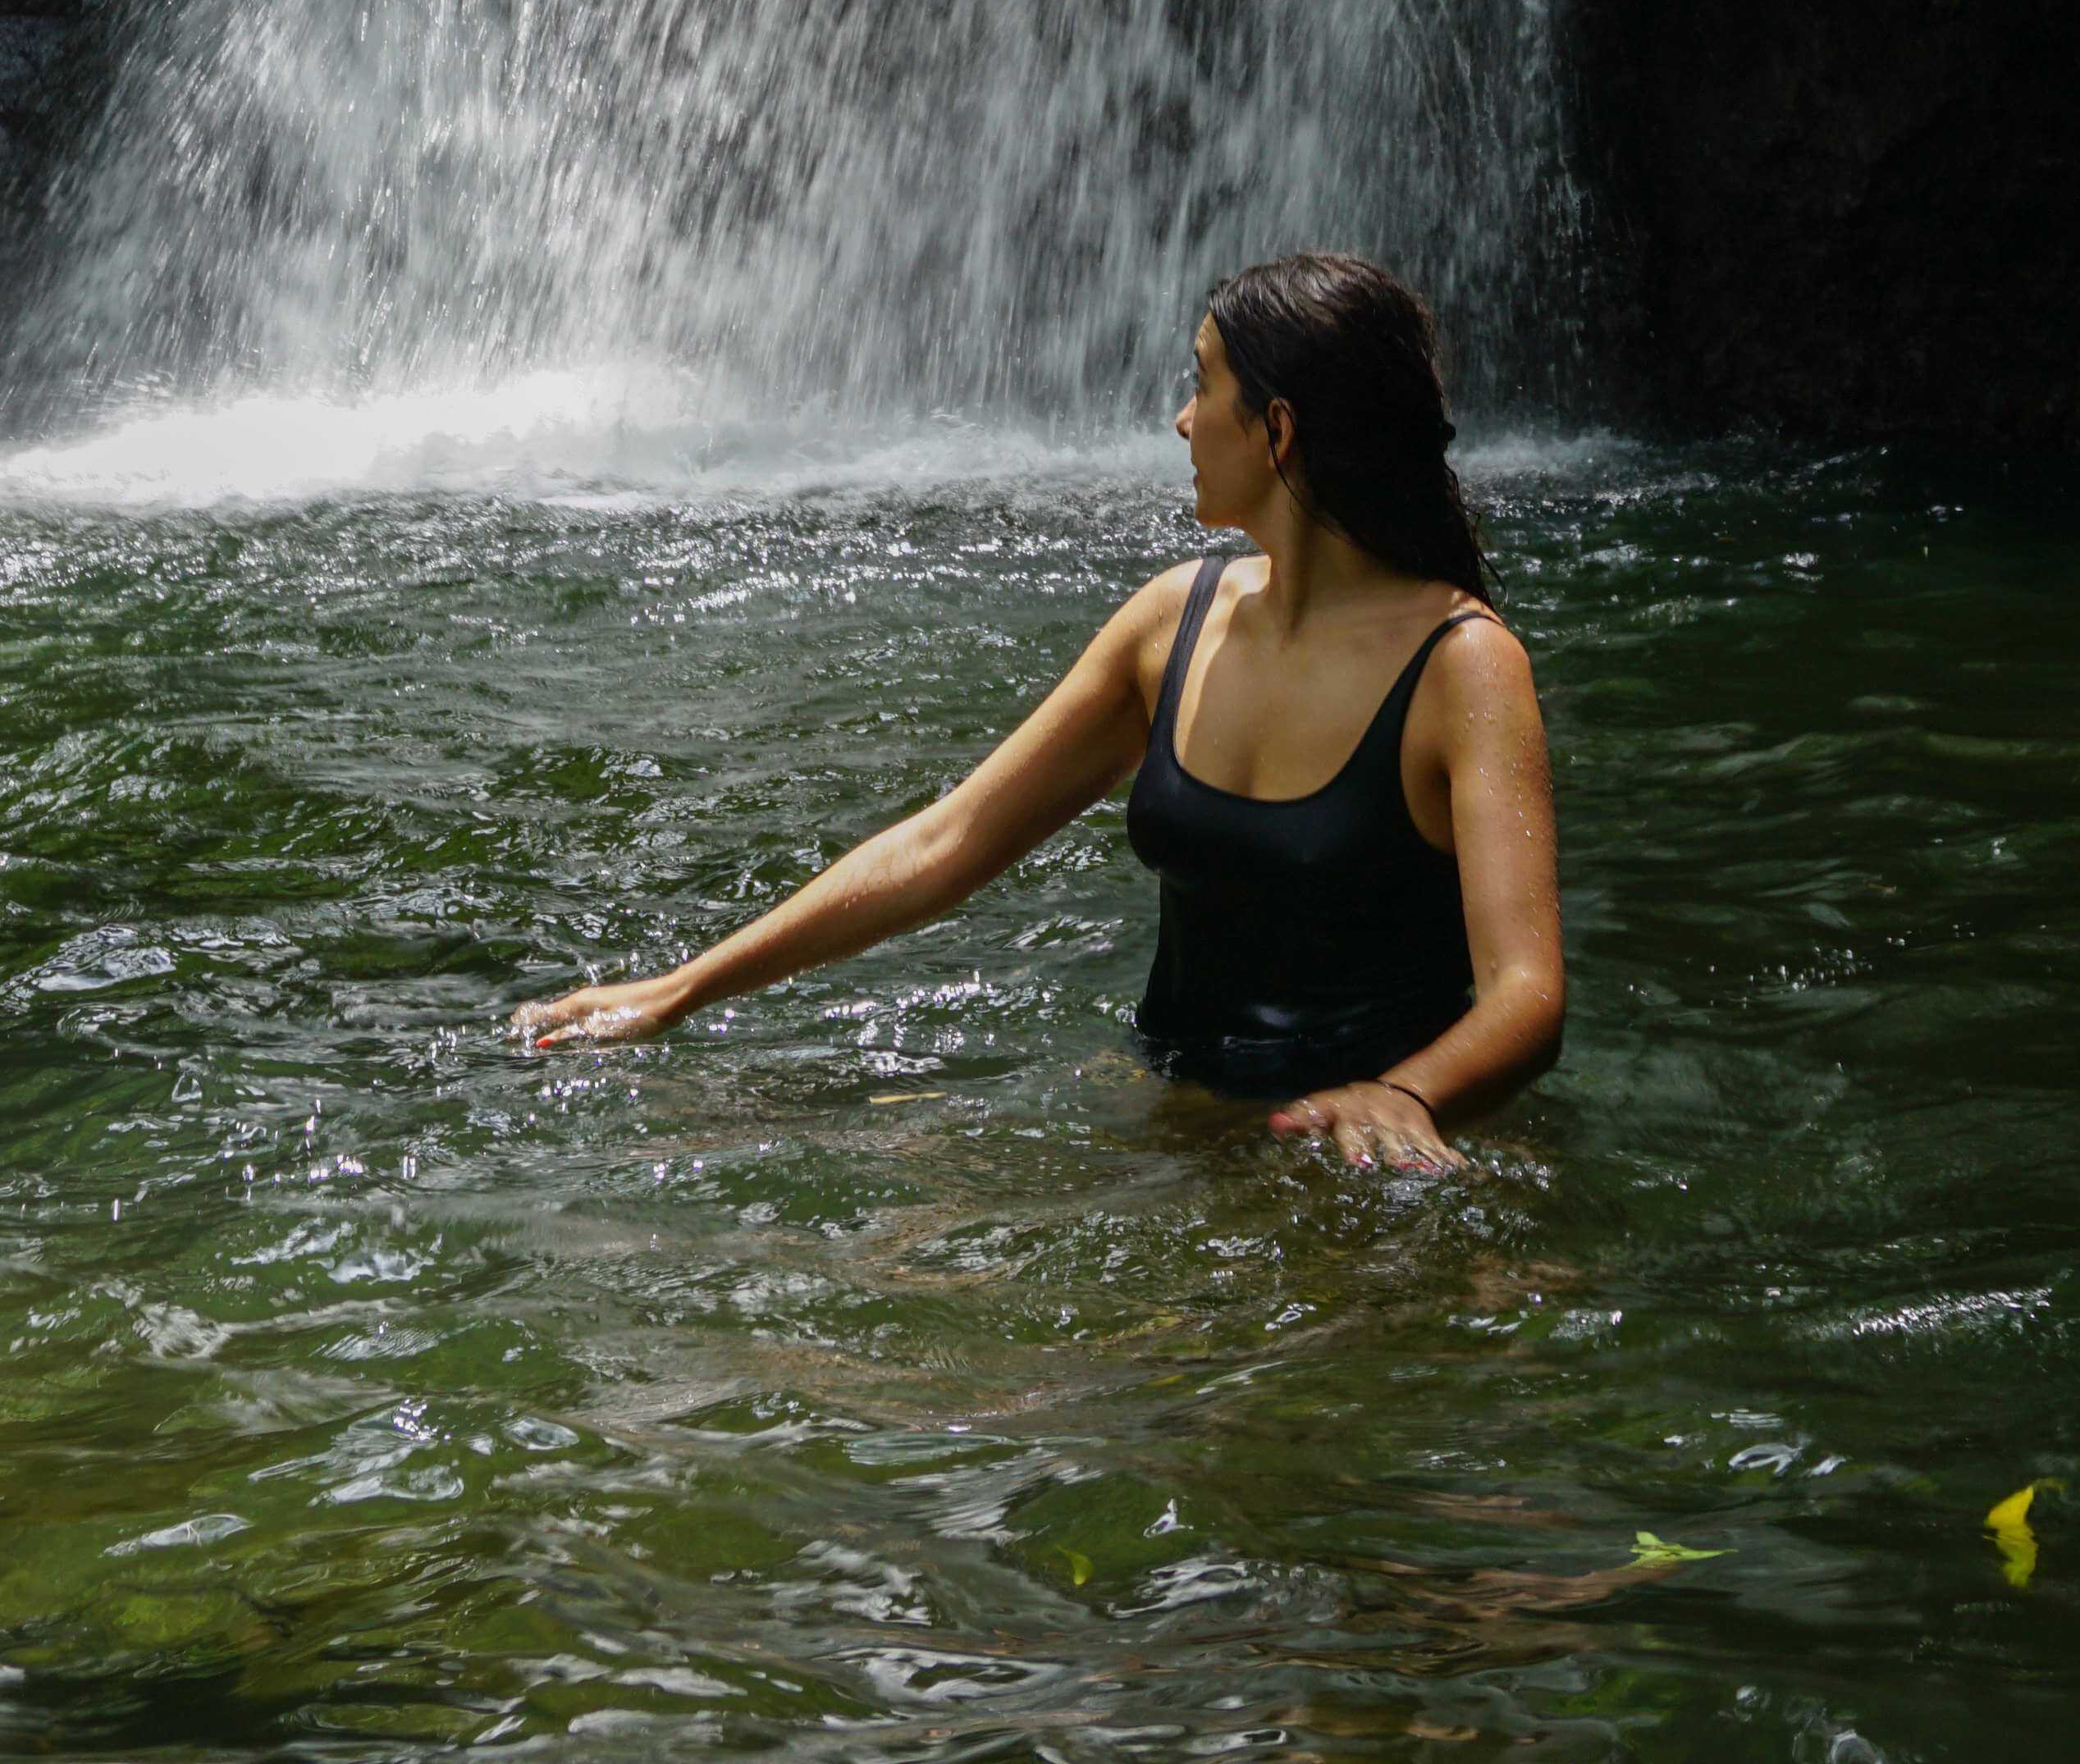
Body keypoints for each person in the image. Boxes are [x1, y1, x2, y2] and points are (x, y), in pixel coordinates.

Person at [514, 249, 1563, 1172]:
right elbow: (947, 839)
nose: (1179, 419)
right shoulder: (1172, 621)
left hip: (1359, 1156)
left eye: (1202, 386)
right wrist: (678, 993)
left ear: (1279, 429)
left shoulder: (1462, 667)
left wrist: (1407, 1095)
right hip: (1179, 1120)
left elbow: (1526, 993)